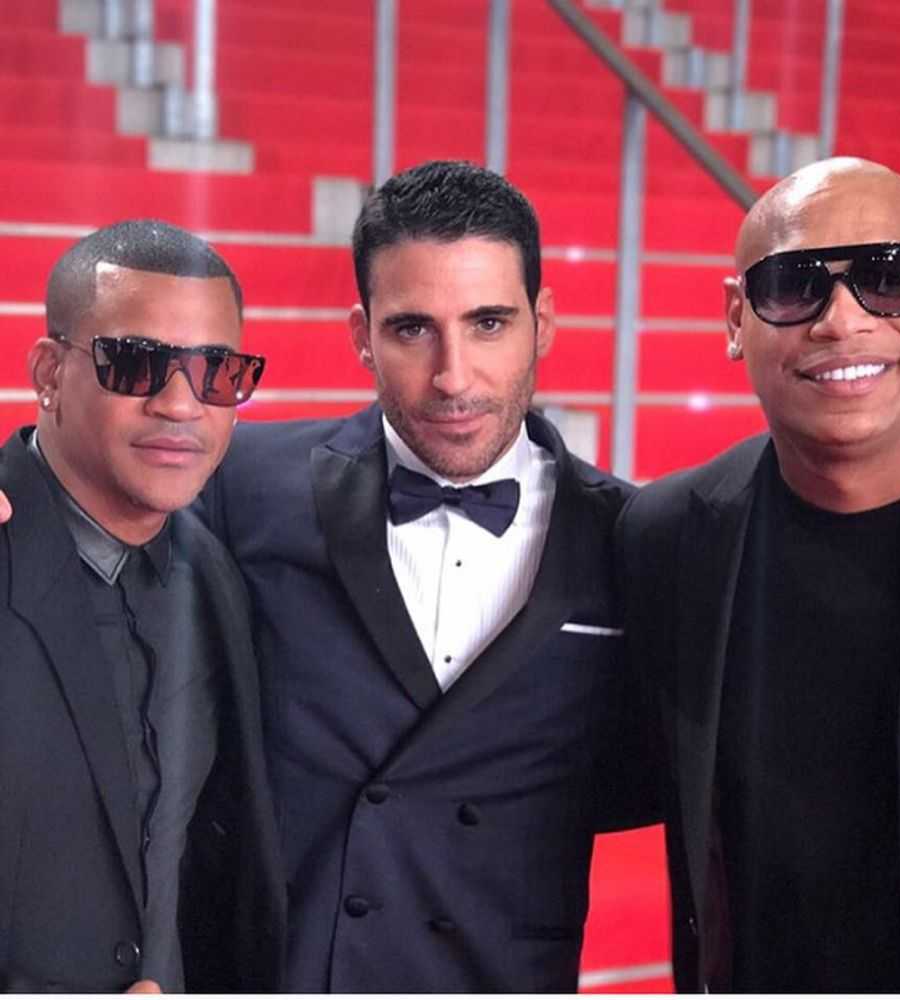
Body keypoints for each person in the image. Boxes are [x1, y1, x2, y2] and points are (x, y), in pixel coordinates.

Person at [196, 160, 655, 991]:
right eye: (412, 329)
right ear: (361, 333)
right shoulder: (241, 485)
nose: (453, 377)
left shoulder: (633, 536)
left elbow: (649, 774)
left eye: (489, 323)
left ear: (543, 324)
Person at [618, 156, 900, 992]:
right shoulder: (667, 537)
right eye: (794, 287)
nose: (842, 321)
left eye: (889, 279)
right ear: (735, 319)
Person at [0, 220, 284, 992]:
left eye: (216, 371)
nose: (181, 405)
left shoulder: (214, 573)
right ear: (49, 373)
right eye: (135, 363)